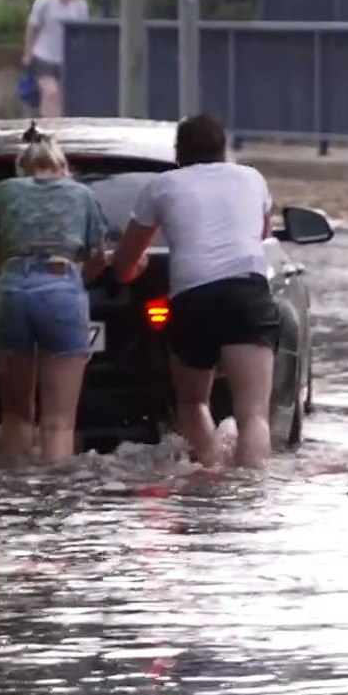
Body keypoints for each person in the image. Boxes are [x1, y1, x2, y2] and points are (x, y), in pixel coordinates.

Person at [110, 113, 280, 470]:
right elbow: (262, 234)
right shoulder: (252, 179)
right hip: (247, 294)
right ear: (224, 150)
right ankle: (251, 493)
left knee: (191, 404)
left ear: (178, 153)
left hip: (192, 299)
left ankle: (211, 469)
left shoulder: (161, 187)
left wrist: (133, 270)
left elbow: (124, 265)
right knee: (253, 416)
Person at [0, 125, 109, 466]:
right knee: (59, 423)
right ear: (62, 167)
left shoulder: (2, 192)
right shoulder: (81, 195)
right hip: (63, 290)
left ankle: (13, 503)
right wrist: (75, 279)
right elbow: (98, 257)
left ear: (22, 168)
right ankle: (55, 502)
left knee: (16, 416)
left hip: (11, 292)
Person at [22, 0, 88, 118]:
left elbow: (82, 30)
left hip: (66, 57)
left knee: (61, 97)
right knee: (50, 92)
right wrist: (28, 52)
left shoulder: (80, 5)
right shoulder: (45, 1)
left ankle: (57, 126)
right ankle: (49, 124)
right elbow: (33, 27)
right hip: (43, 55)